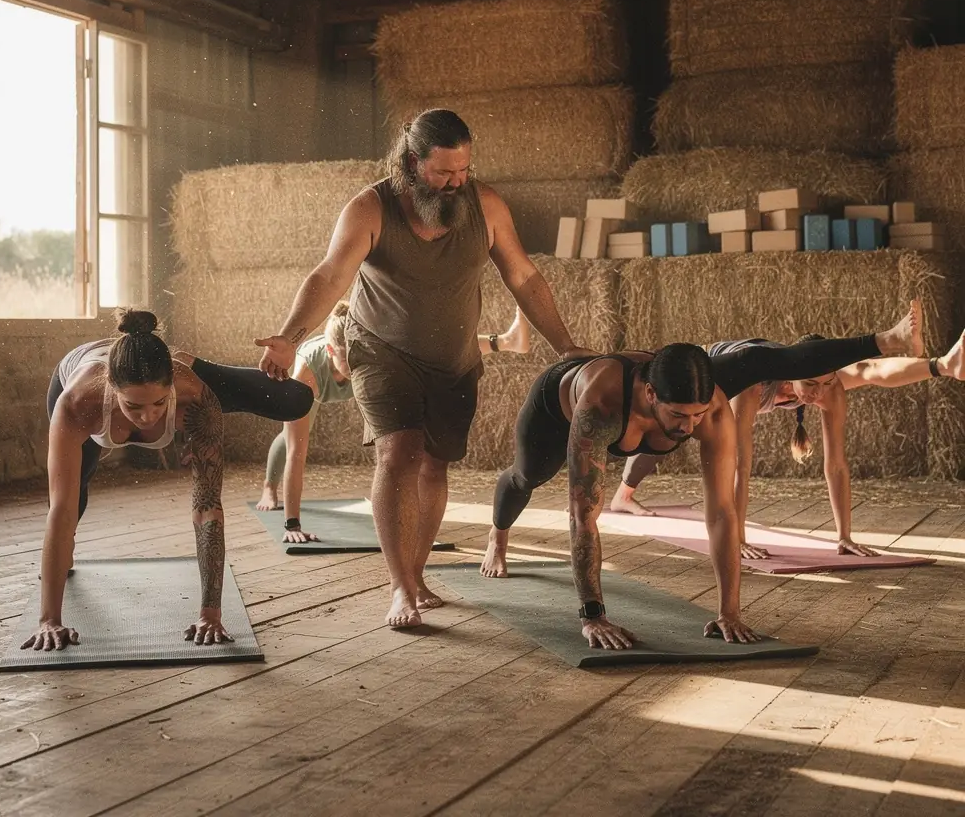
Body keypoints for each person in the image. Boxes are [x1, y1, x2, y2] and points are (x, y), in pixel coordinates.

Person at [255, 108, 590, 629]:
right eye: (443, 173)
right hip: (382, 348)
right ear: (413, 163)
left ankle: (417, 572)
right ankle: (400, 588)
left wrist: (566, 345)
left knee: (436, 462)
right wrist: (290, 336)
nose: (457, 183)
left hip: (454, 359)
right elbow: (330, 276)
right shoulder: (370, 208)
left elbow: (523, 277)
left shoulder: (486, 205)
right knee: (399, 451)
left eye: (464, 171)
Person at [480, 304, 922, 651]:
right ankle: (497, 538)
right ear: (651, 395)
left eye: (695, 415)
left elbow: (722, 514)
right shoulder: (600, 406)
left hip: (666, 396)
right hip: (556, 406)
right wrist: (592, 614)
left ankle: (884, 340)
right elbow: (582, 516)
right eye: (677, 415)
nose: (688, 428)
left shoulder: (710, 405)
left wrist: (730, 610)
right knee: (526, 477)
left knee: (760, 360)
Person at [23, 307, 313, 653]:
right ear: (112, 390)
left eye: (159, 403)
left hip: (180, 372)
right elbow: (60, 511)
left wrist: (211, 613)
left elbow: (207, 508)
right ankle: (59, 565)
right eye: (134, 406)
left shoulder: (195, 397)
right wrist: (49, 620)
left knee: (295, 399)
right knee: (73, 499)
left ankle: (180, 360)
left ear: (172, 386)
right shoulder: (77, 404)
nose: (148, 417)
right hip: (75, 372)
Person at [611, 324, 965, 557]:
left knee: (862, 373)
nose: (818, 393)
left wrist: (845, 535)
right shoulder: (753, 386)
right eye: (810, 385)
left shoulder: (825, 388)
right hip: (701, 372)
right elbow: (739, 464)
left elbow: (837, 464)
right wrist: (738, 540)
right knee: (669, 430)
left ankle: (943, 365)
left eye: (825, 383)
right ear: (791, 375)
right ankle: (623, 496)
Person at [254, 301, 532, 543]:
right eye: (346, 358)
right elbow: (296, 456)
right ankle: (269, 487)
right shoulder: (305, 377)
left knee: (427, 349)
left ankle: (507, 340)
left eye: (356, 354)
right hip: (312, 390)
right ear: (330, 350)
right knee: (293, 441)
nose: (354, 364)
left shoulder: (368, 352)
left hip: (363, 365)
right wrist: (292, 525)